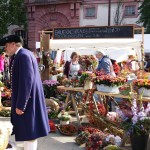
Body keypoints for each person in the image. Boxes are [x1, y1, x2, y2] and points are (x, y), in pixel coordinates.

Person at [0, 35, 50, 150]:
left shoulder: (23, 56)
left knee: (30, 133)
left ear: (13, 44)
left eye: (6, 45)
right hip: (29, 100)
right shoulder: (23, 54)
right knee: (29, 133)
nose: (5, 48)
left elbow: (26, 82)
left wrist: (21, 105)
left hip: (28, 101)